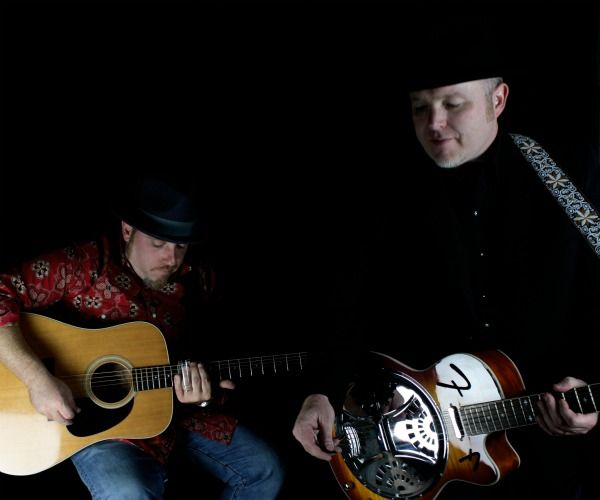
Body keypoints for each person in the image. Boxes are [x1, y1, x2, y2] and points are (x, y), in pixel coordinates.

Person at [292, 32, 600, 500]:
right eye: (420, 108)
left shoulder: (568, 174)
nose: (434, 124)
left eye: (454, 104)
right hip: (427, 457)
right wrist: (322, 391)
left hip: (546, 449)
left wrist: (590, 389)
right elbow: (346, 303)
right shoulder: (385, 189)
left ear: (498, 100)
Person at [0, 174, 284, 499]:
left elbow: (215, 355)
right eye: (158, 244)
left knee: (265, 470)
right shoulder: (85, 265)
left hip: (176, 416)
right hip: (98, 430)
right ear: (127, 230)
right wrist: (36, 379)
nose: (171, 259)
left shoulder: (199, 280)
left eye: (180, 246)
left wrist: (204, 395)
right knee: (128, 493)